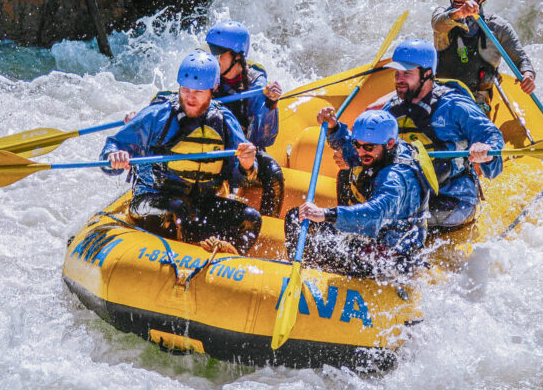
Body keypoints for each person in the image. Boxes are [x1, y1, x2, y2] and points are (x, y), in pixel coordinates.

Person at [101, 51, 262, 255]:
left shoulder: (224, 121)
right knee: (177, 210)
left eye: (198, 91)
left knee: (250, 218)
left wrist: (247, 165)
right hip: (152, 199)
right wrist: (114, 157)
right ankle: (186, 265)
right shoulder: (158, 115)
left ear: (213, 88)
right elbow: (110, 151)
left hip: (200, 202)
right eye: (185, 89)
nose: (190, 97)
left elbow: (241, 177)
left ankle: (227, 260)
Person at [284, 109, 429, 281]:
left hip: (393, 255)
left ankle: (315, 281)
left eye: (367, 147)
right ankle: (302, 270)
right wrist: (334, 127)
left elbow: (375, 213)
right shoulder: (379, 149)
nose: (360, 152)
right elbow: (348, 145)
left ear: (389, 144)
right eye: (357, 145)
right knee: (296, 217)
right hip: (373, 236)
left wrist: (326, 214)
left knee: (323, 243)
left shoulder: (396, 179)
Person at [381, 39, 505, 230]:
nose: (399, 79)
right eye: (397, 73)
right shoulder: (393, 107)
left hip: (453, 198)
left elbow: (491, 135)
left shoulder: (454, 105)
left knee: (396, 218)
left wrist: (486, 150)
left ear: (427, 74)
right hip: (411, 194)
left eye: (407, 73)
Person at [204, 20, 285, 217]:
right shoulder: (205, 72)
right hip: (211, 145)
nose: (212, 58)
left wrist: (270, 104)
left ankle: (266, 227)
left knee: (273, 173)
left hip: (243, 149)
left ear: (237, 57)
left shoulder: (256, 82)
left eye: (218, 53)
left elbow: (263, 139)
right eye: (210, 52)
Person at [431, 0, 536, 104]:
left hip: (477, 102)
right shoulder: (443, 15)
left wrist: (528, 75)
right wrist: (459, 13)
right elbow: (438, 24)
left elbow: (521, 60)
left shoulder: (498, 28)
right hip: (440, 96)